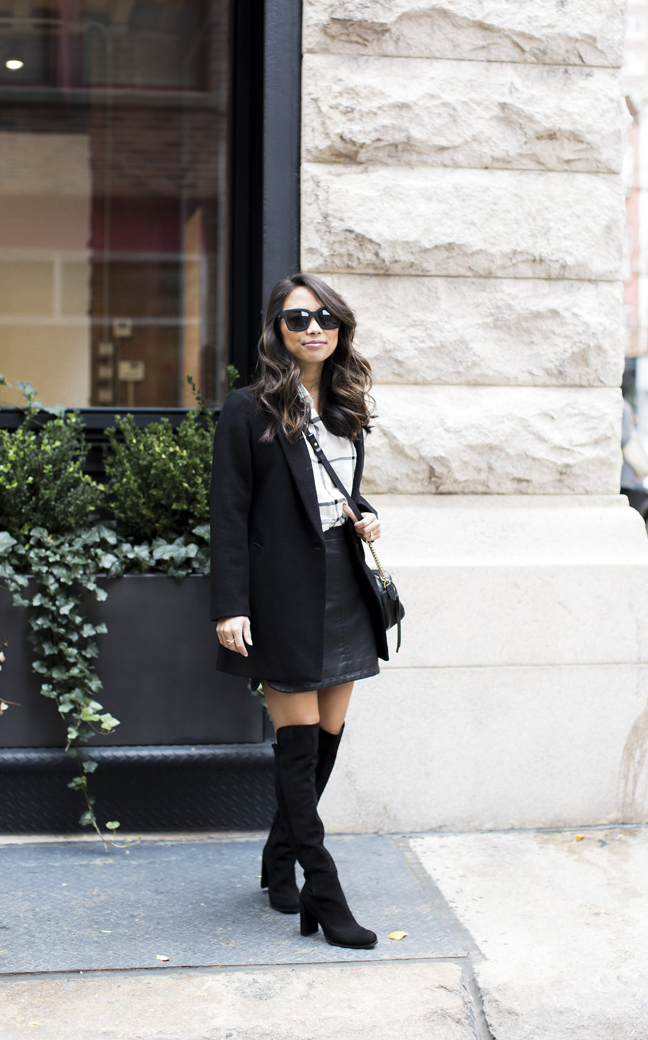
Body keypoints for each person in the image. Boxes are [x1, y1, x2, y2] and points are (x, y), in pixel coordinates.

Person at [209, 273, 389, 950]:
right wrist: (230, 605)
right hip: (280, 596)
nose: (313, 327)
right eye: (296, 318)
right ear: (276, 330)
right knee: (296, 743)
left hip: (344, 587)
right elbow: (227, 515)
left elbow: (339, 496)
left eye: (324, 317)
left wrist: (366, 518)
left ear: (340, 328)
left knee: (328, 737)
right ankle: (324, 887)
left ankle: (277, 854)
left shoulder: (345, 406)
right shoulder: (247, 408)